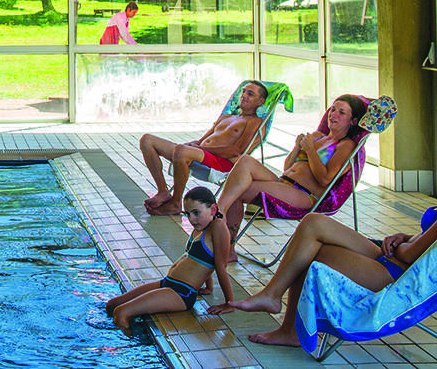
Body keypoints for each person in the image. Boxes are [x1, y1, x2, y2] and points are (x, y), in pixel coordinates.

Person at [209, 140, 437, 347]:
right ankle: (275, 301)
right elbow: (427, 241)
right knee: (313, 224)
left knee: (311, 250)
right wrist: (405, 237)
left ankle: (285, 320)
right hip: (393, 258)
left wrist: (402, 245)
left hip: (396, 273)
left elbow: (414, 255)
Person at [214, 94, 369, 237]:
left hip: (304, 194)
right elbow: (287, 168)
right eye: (333, 109)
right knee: (245, 161)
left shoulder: (346, 146)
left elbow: (325, 180)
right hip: (284, 183)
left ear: (353, 121)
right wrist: (297, 148)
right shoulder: (317, 136)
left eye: (341, 113)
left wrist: (310, 151)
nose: (333, 114)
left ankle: (218, 219)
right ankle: (219, 214)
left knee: (238, 190)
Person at [105, 187, 234, 334]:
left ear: (213, 209)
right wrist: (208, 288)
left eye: (196, 213)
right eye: (188, 214)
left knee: (121, 313)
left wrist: (229, 303)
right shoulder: (200, 227)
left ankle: (128, 344)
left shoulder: (218, 226)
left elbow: (220, 266)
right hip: (167, 283)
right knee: (112, 305)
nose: (191, 219)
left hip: (181, 293)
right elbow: (203, 259)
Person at [141, 80, 269, 215]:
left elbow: (237, 151)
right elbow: (201, 141)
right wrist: (191, 145)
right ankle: (163, 191)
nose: (244, 95)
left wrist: (199, 149)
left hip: (222, 162)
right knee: (147, 140)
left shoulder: (255, 122)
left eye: (250, 94)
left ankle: (175, 203)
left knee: (182, 151)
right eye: (243, 92)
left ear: (260, 102)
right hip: (201, 154)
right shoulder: (226, 117)